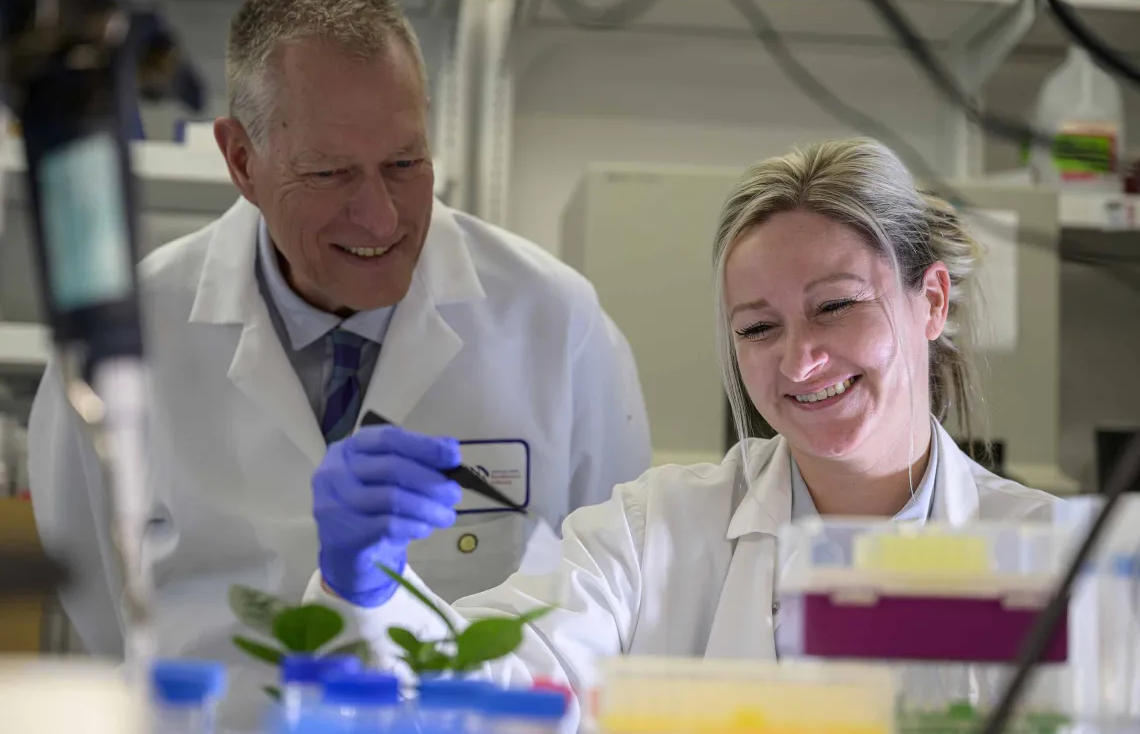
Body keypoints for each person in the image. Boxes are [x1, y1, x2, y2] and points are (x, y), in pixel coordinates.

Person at [26, 0, 650, 726]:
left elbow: (611, 592)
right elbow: (98, 592)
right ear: (241, 160)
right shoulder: (131, 333)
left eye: (405, 163)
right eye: (328, 173)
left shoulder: (554, 322)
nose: (379, 214)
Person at [304, 138, 1069, 728]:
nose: (799, 358)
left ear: (930, 300)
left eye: (836, 306)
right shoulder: (651, 537)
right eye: (758, 326)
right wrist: (365, 589)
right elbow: (491, 691)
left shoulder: (1057, 557)